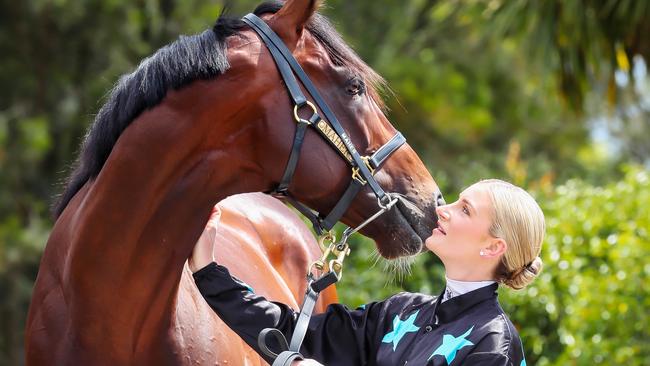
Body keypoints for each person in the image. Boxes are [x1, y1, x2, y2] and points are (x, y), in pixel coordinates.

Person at [189, 179, 544, 365]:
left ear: (494, 247)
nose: (443, 210)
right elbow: (292, 331)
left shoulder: (494, 345)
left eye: (464, 209)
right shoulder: (400, 313)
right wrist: (208, 271)